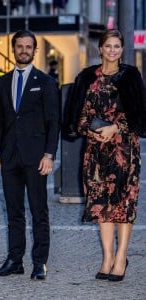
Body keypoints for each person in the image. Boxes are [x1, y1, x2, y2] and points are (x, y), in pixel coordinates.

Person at [65, 29, 146, 282]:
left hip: (124, 150)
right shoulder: (86, 77)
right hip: (95, 150)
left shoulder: (131, 76)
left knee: (123, 203)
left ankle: (121, 257)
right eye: (108, 46)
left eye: (117, 46)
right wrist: (91, 130)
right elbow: (75, 114)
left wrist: (115, 128)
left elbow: (140, 113)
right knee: (102, 206)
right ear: (100, 49)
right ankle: (107, 257)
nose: (112, 50)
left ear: (121, 50)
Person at [0, 29, 60, 280]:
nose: (24, 50)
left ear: (35, 50)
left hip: (36, 157)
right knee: (14, 211)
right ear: (13, 48)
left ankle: (40, 262)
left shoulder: (46, 82)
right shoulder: (3, 82)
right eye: (19, 46)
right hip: (9, 157)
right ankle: (15, 260)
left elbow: (54, 121)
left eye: (28, 47)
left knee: (39, 211)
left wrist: (49, 154)